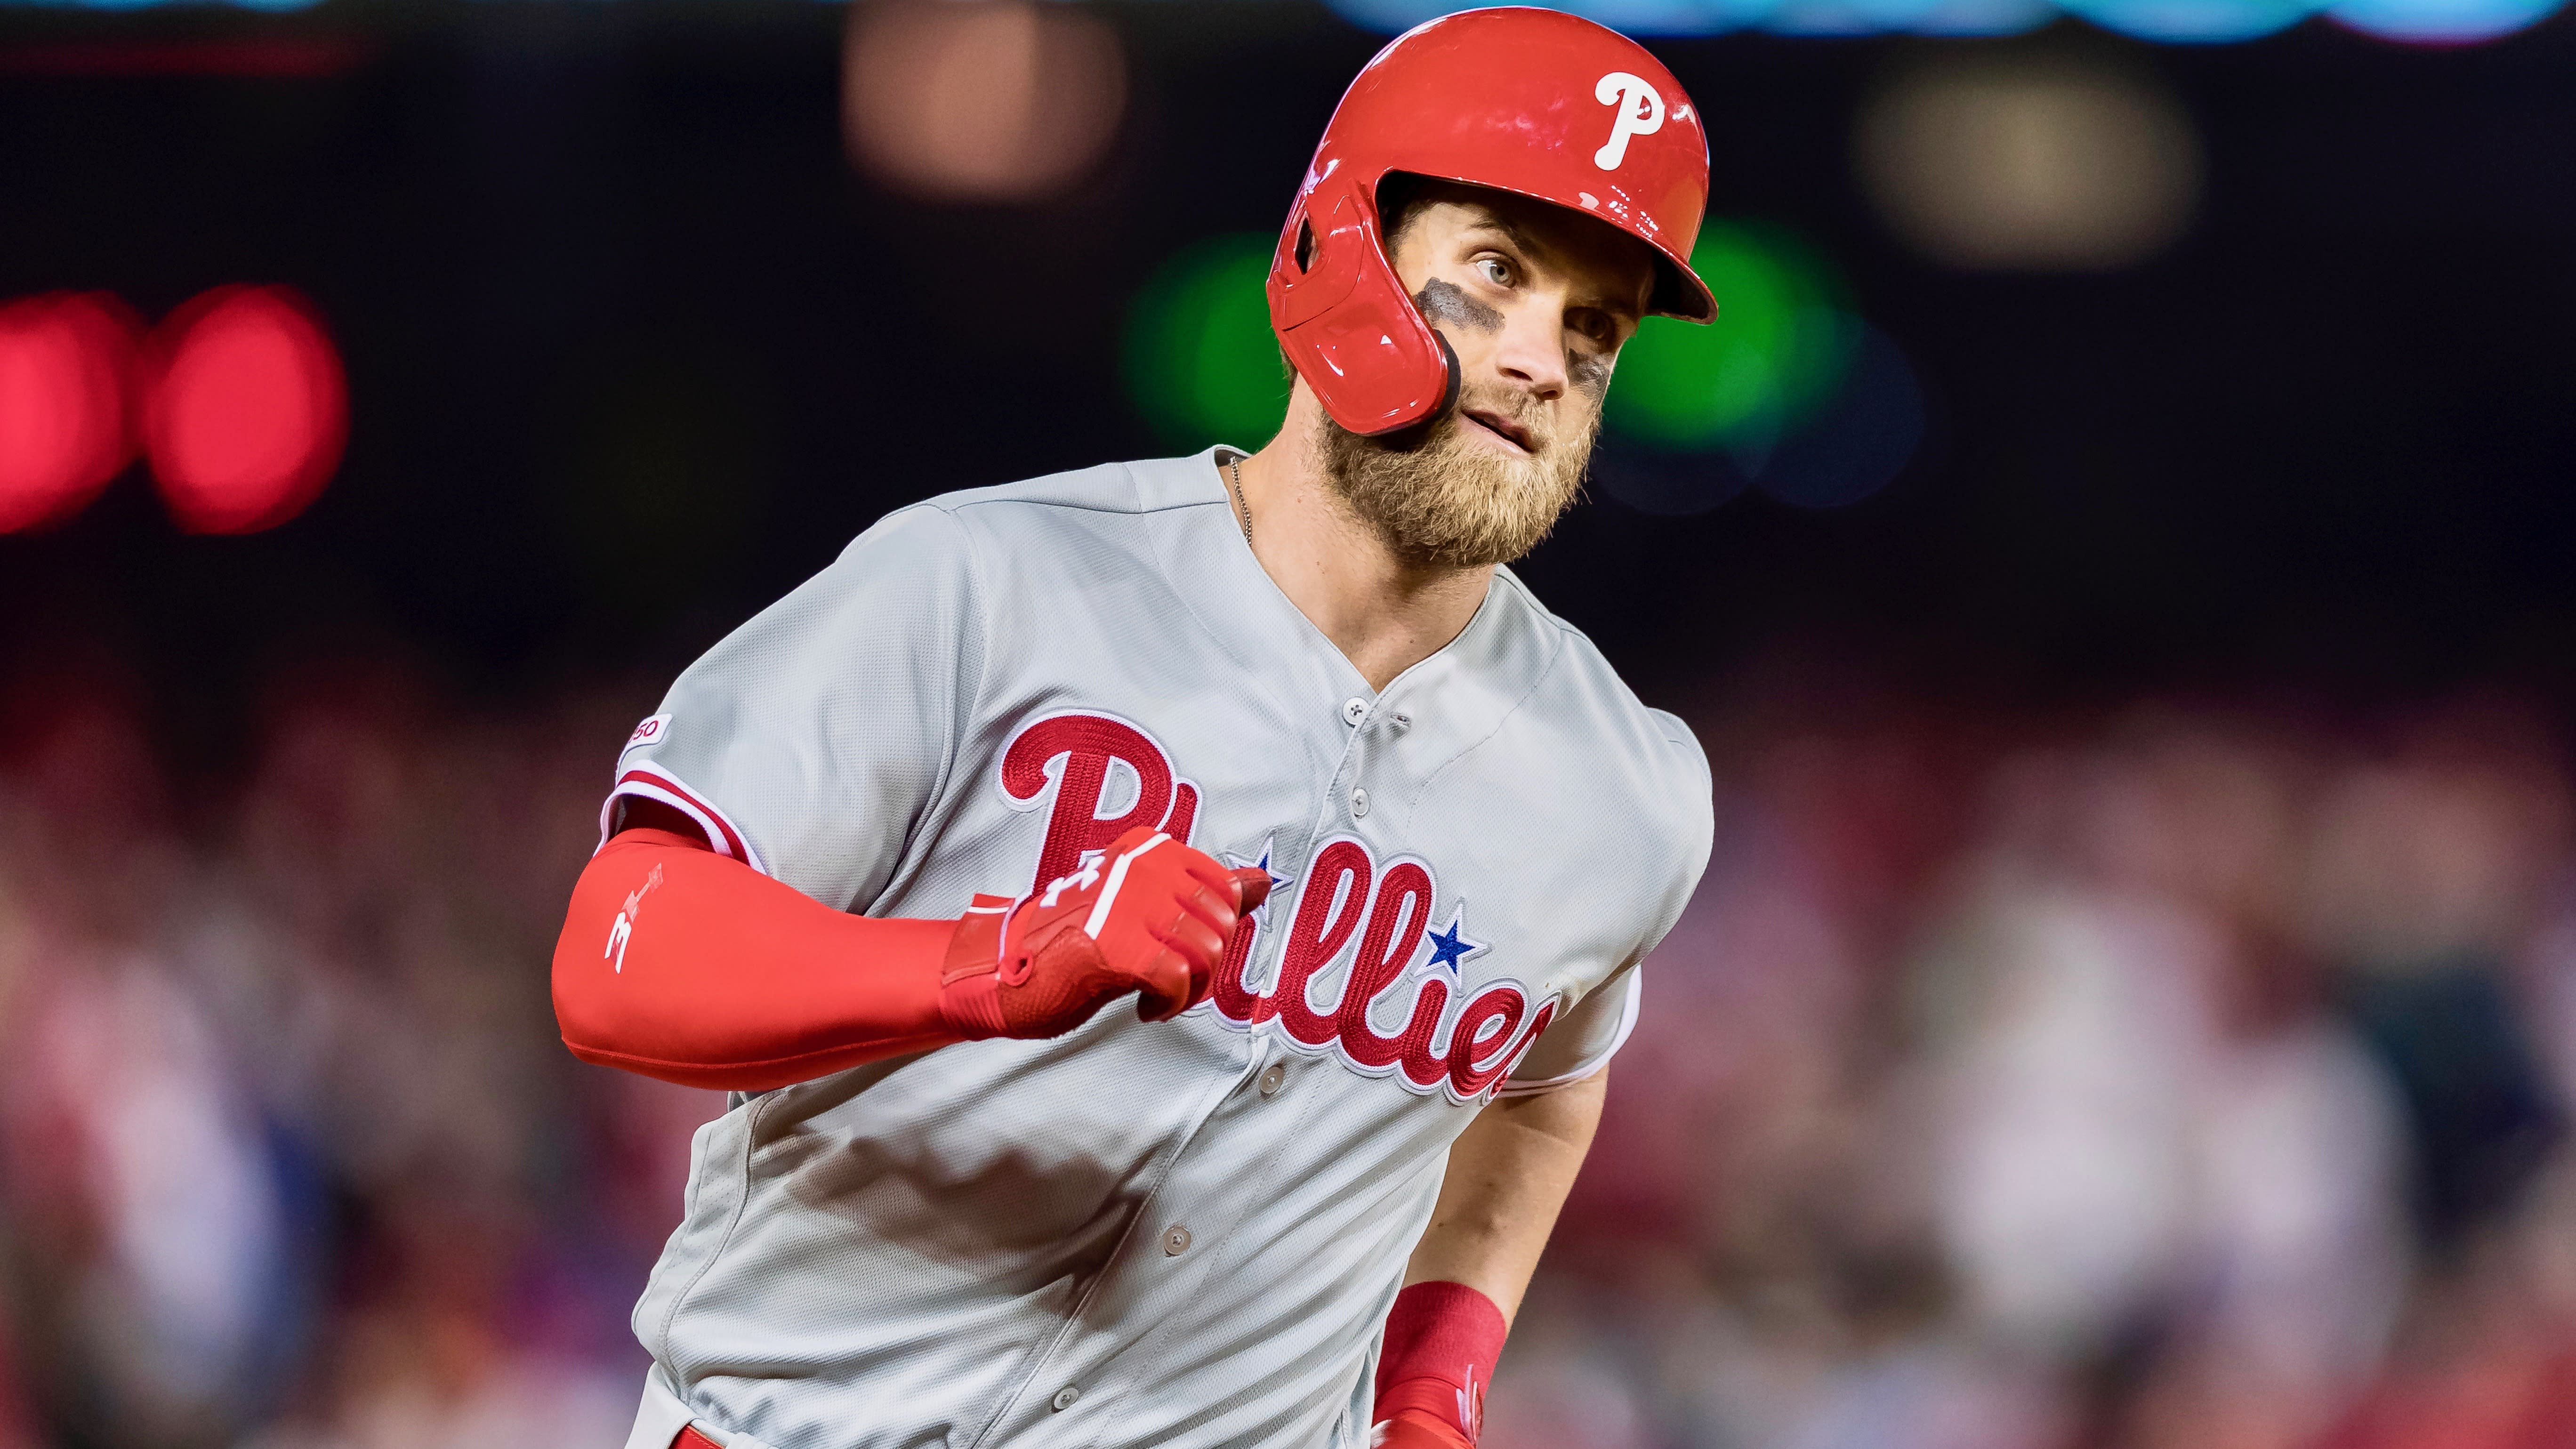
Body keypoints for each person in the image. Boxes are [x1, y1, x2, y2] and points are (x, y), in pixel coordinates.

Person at [551, 9, 1717, 1448]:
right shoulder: (991, 580)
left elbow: (1543, 1101)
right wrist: (985, 966)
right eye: (1494, 273)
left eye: (1592, 327)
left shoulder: (1627, 794)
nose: (1544, 359)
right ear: (1341, 250)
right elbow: (619, 953)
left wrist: (1432, 1392)